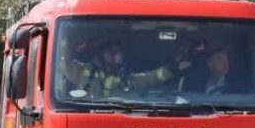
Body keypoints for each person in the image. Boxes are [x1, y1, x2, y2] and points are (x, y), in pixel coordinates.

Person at [60, 40, 188, 97]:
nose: (119, 55)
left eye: (120, 52)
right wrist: (65, 43)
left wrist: (171, 69)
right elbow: (63, 62)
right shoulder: (83, 72)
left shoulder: (123, 76)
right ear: (104, 54)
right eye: (115, 52)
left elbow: (147, 79)